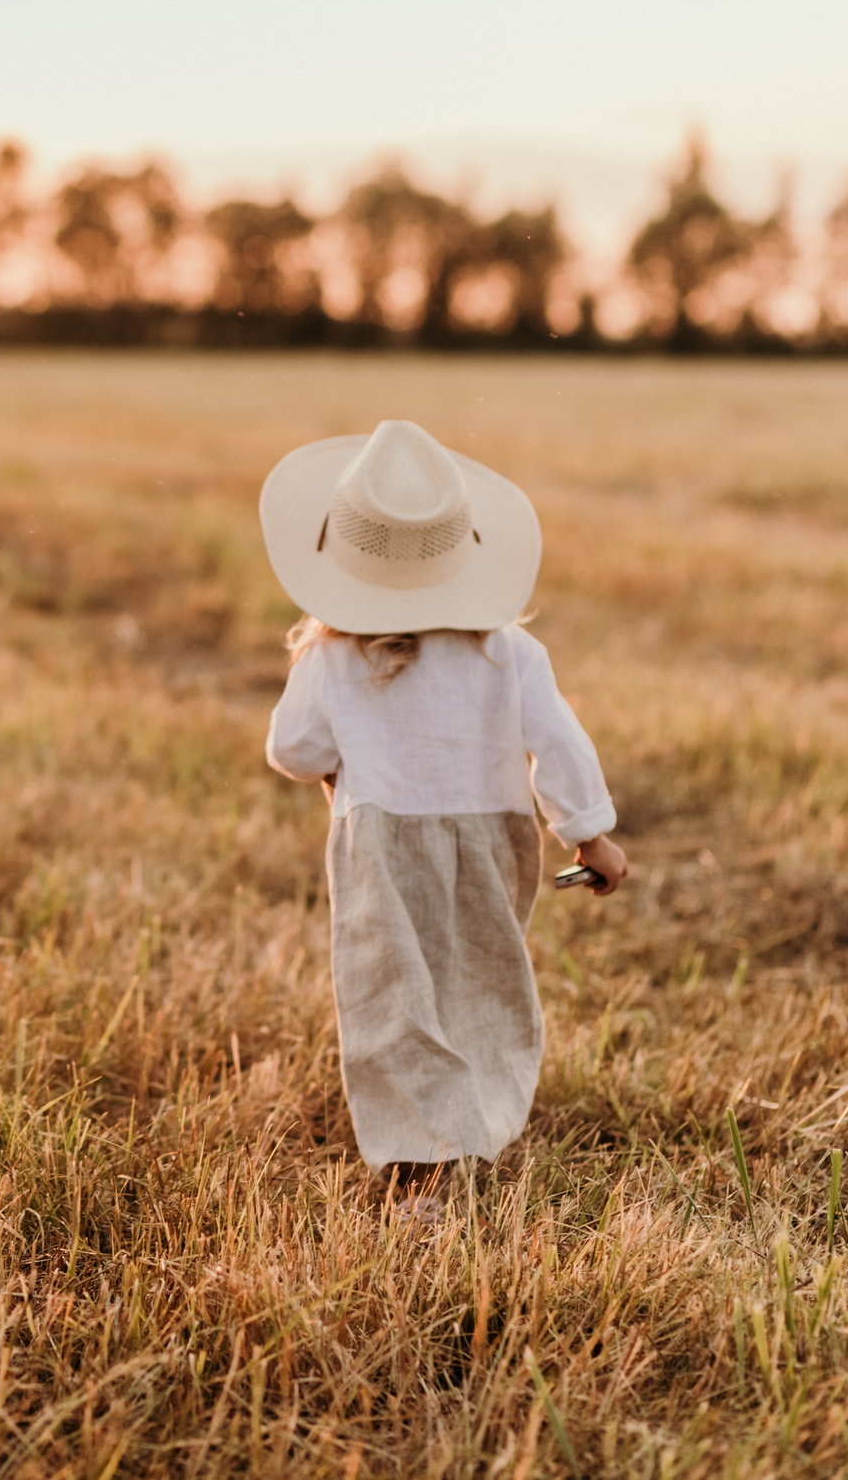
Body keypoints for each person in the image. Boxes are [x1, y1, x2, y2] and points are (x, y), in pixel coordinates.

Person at [258, 419, 627, 1218]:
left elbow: (291, 748)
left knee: (394, 994)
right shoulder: (509, 653)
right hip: (492, 841)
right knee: (481, 979)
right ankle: (473, 1125)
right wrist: (588, 832)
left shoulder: (331, 657)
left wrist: (337, 759)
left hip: (380, 846)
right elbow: (557, 741)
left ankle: (423, 1163)